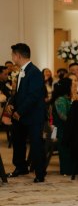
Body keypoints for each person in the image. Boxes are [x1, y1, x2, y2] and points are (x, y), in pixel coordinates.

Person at [6, 43, 47, 182]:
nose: (12, 57)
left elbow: (33, 96)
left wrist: (20, 111)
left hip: (33, 115)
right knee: (18, 141)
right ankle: (21, 167)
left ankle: (40, 173)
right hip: (20, 114)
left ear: (18, 56)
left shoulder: (34, 72)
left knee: (36, 144)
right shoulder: (21, 71)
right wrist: (12, 104)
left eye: (13, 55)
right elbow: (18, 93)